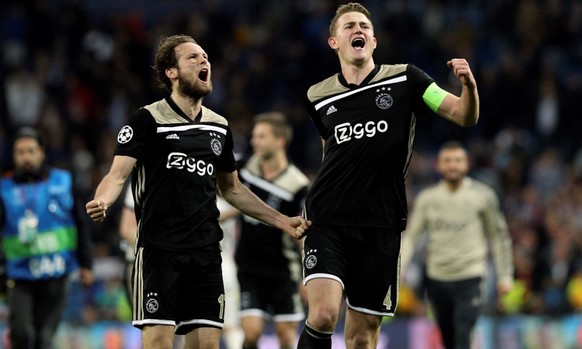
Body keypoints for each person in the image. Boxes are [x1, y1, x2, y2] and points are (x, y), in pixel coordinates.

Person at [85, 34, 310, 349]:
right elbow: (117, 174)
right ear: (171, 72)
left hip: (205, 252)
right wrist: (102, 199)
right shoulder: (147, 120)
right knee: (159, 343)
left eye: (205, 56)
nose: (204, 61)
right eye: (192, 57)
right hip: (158, 251)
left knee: (206, 344)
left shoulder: (219, 127)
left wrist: (281, 221)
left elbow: (232, 189)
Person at [299, 3, 479, 349]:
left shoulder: (408, 79)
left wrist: (468, 86)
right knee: (322, 315)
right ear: (333, 42)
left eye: (365, 26)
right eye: (349, 26)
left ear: (374, 40)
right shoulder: (317, 96)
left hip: (380, 222)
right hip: (328, 218)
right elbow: (331, 151)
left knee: (362, 338)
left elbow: (462, 115)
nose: (358, 30)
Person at [400, 140, 514, 349]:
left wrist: (504, 275)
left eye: (458, 161)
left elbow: (499, 236)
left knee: (463, 333)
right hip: (438, 278)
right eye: (448, 161)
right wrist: (399, 268)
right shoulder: (428, 199)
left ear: (467, 164)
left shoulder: (482, 196)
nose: (453, 165)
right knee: (448, 337)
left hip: (470, 276)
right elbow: (411, 237)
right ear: (439, 165)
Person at [0, 126, 94, 349]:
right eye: (20, 152)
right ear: (14, 156)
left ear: (42, 152)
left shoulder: (64, 182)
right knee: (22, 334)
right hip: (19, 274)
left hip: (57, 273)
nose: (26, 157)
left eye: (31, 151)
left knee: (44, 338)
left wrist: (86, 263)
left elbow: (81, 224)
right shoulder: (3, 189)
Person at [236, 112, 310, 349]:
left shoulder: (297, 185)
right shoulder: (245, 167)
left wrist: (308, 274)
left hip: (283, 272)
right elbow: (236, 202)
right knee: (251, 333)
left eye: (261, 136)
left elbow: (302, 232)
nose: (253, 141)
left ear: (280, 141)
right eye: (254, 136)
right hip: (249, 269)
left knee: (287, 338)